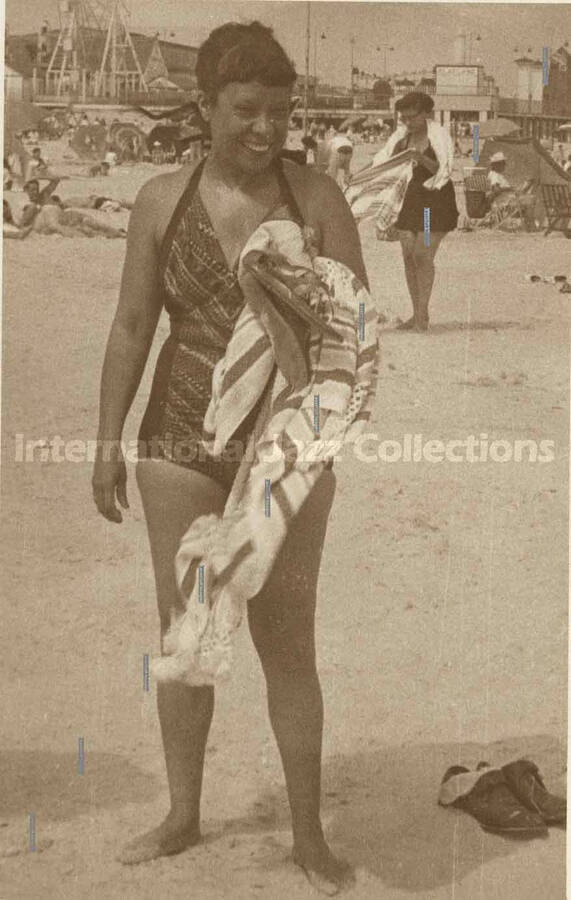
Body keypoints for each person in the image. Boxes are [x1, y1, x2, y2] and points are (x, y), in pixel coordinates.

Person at [91, 19, 368, 895]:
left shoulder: (317, 199)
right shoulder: (158, 198)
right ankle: (181, 814)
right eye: (245, 110)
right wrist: (106, 439)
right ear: (203, 105)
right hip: (177, 439)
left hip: (285, 446)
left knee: (286, 641)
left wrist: (303, 431)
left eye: (280, 112)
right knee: (188, 635)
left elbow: (351, 341)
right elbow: (134, 324)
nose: (265, 129)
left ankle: (308, 837)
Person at [372, 91, 458, 332]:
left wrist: (418, 157)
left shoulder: (438, 136)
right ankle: (417, 313)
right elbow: (383, 160)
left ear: (426, 114)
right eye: (404, 118)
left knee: (422, 254)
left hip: (433, 203)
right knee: (408, 255)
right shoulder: (400, 137)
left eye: (412, 117)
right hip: (408, 202)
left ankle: (423, 315)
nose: (407, 123)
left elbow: (442, 169)